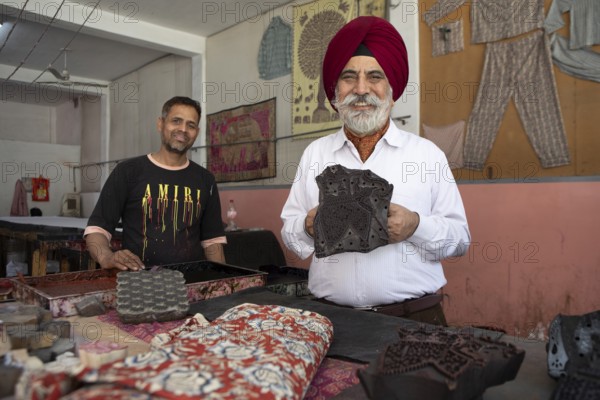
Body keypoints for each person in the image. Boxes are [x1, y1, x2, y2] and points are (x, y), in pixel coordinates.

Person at [280, 17, 471, 325]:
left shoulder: (426, 155)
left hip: (415, 319)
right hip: (330, 321)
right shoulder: (315, 154)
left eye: (374, 76)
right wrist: (308, 226)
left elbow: (460, 240)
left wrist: (415, 226)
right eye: (348, 77)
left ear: (392, 92)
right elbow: (290, 235)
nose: (361, 89)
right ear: (335, 92)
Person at [85, 96, 226, 271]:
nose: (183, 129)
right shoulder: (127, 172)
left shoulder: (206, 179)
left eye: (190, 125)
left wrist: (222, 283)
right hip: (138, 283)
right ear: (160, 124)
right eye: (176, 121)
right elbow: (97, 229)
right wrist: (106, 257)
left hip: (190, 285)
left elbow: (213, 243)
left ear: (196, 132)